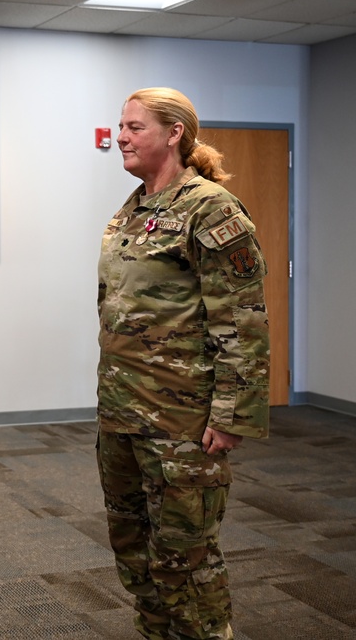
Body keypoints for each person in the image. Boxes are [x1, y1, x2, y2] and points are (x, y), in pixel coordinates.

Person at [97, 87, 270, 640]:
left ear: (174, 133)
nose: (120, 136)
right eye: (119, 126)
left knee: (186, 563)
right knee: (135, 554)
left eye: (133, 126)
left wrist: (230, 415)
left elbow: (243, 319)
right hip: (123, 417)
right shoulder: (135, 207)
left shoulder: (211, 209)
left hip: (182, 424)